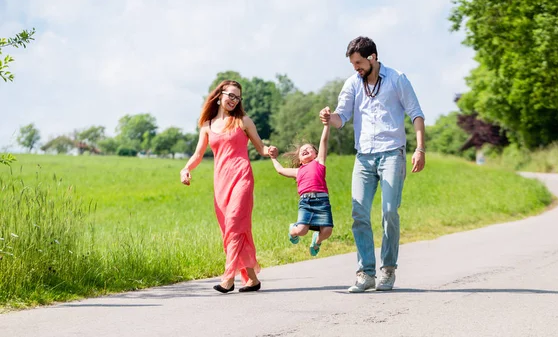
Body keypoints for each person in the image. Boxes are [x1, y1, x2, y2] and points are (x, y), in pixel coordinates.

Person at [320, 36, 426, 293]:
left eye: (358, 62)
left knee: (389, 212)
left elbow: (416, 113)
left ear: (373, 58)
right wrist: (328, 117)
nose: (356, 68)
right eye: (353, 64)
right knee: (359, 213)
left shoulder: (397, 78)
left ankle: (387, 269)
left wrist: (420, 149)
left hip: (392, 153)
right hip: (364, 156)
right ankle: (365, 273)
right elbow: (342, 117)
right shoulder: (352, 84)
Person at [180, 80, 278, 294]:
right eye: (231, 95)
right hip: (221, 182)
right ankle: (252, 279)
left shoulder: (243, 121)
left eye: (238, 97)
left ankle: (228, 278)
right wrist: (186, 168)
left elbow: (260, 148)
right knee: (233, 230)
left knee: (234, 222)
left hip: (242, 176)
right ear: (219, 95)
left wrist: (269, 150)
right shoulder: (207, 125)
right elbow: (198, 154)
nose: (234, 100)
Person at [270, 123, 333, 256]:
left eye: (309, 148)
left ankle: (317, 241)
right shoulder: (298, 171)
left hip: (322, 202)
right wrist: (273, 158)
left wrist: (326, 125)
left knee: (327, 231)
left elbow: (324, 140)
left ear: (316, 154)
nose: (305, 150)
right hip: (306, 203)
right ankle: (293, 230)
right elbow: (280, 170)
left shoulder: (319, 162)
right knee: (302, 231)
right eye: (302, 150)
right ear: (299, 159)